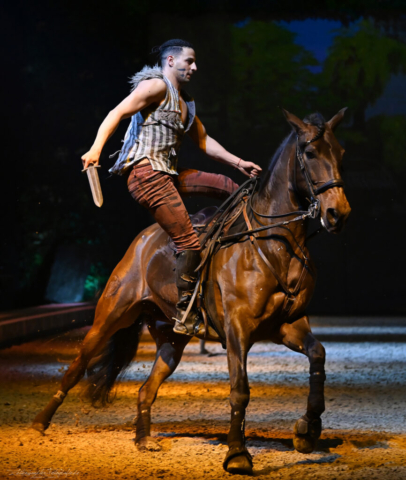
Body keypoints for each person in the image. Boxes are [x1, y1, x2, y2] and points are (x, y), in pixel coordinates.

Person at [81, 39, 262, 336]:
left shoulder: (185, 102)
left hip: (169, 173)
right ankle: (186, 311)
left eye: (194, 62)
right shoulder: (155, 87)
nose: (194, 67)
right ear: (169, 61)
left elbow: (204, 141)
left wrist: (238, 161)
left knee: (230, 186)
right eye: (188, 61)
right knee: (189, 242)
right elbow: (116, 113)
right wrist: (95, 148)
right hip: (146, 175)